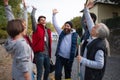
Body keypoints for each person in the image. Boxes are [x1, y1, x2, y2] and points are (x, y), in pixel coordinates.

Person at [77, 1, 110, 80]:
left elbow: (99, 65)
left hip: (91, 76)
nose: (92, 27)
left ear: (98, 33)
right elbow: (89, 20)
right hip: (84, 71)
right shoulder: (94, 36)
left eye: (95, 27)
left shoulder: (99, 46)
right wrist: (86, 9)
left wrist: (83, 60)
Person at [4, 0, 34, 80]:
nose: (25, 27)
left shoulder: (12, 40)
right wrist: (28, 76)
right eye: (24, 26)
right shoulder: (21, 43)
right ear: (19, 29)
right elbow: (23, 63)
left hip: (17, 73)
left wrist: (7, 5)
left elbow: (11, 21)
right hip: (24, 76)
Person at [52, 9, 79, 80]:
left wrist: (78, 52)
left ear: (71, 27)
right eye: (65, 26)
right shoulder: (61, 32)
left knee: (68, 75)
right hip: (60, 57)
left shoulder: (75, 35)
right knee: (57, 74)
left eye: (68, 26)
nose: (66, 27)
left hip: (69, 59)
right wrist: (54, 15)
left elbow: (79, 45)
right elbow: (55, 25)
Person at [31, 6, 52, 80]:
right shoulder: (36, 28)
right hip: (39, 53)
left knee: (48, 70)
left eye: (44, 20)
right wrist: (34, 10)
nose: (43, 21)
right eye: (41, 20)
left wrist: (50, 55)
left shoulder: (48, 31)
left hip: (47, 54)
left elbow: (49, 43)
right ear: (39, 21)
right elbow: (32, 17)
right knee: (40, 71)